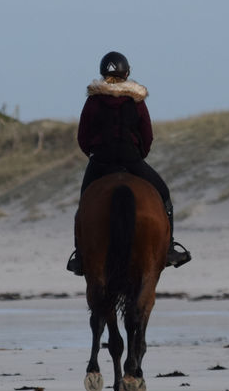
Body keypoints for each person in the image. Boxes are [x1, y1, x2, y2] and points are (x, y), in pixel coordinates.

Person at [67, 51, 191, 275]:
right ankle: (170, 248)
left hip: (101, 161)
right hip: (131, 158)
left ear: (103, 73)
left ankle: (79, 256)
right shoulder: (137, 100)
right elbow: (147, 134)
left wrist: (93, 154)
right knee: (164, 195)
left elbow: (83, 136)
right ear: (127, 73)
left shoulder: (93, 100)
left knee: (84, 203)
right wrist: (138, 155)